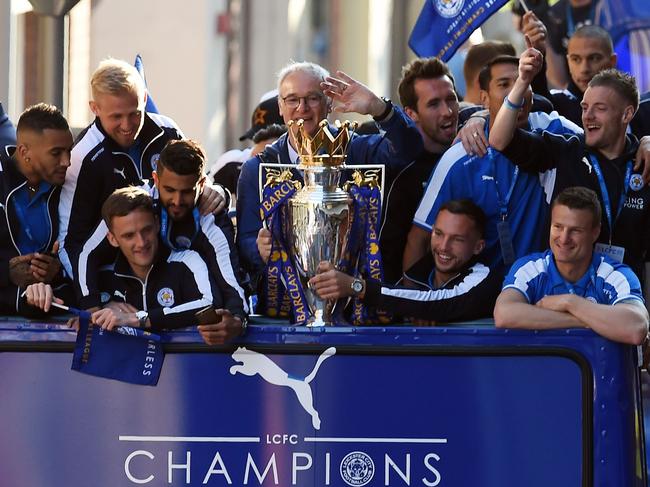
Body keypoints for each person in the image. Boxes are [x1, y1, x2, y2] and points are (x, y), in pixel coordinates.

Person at [238, 60, 423, 283]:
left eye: (313, 98)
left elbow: (409, 150)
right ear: (280, 106)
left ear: (329, 103)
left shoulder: (356, 150)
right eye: (292, 99)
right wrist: (258, 249)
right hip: (288, 306)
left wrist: (379, 108)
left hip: (353, 302)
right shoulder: (258, 169)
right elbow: (245, 242)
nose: (302, 108)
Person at [403, 54, 582, 276]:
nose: (515, 91)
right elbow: (419, 239)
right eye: (504, 84)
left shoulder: (555, 129)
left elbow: (606, 140)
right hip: (475, 296)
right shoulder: (459, 156)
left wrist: (640, 142)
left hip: (540, 289)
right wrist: (412, 306)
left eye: (521, 82)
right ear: (484, 99)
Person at [58, 58, 225, 287]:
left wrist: (217, 191)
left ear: (145, 98)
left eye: (135, 113)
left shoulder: (167, 131)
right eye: (116, 117)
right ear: (95, 108)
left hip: (175, 268)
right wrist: (95, 298)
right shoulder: (82, 157)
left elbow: (199, 180)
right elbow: (70, 242)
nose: (127, 125)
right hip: (117, 282)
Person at [489, 44, 650, 281]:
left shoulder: (643, 162)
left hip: (624, 292)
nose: (588, 116)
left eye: (600, 108)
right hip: (563, 285)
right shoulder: (564, 150)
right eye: (585, 107)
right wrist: (522, 81)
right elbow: (499, 140)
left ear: (626, 114)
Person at [75, 139, 248, 343]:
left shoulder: (211, 219)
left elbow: (230, 283)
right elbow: (87, 253)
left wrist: (237, 320)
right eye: (169, 190)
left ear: (201, 184)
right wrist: (92, 311)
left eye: (186, 192)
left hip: (188, 296)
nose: (176, 200)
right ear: (156, 180)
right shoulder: (135, 203)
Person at [28, 187, 230, 337]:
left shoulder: (187, 261)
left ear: (158, 225)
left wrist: (138, 318)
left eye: (146, 230)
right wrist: (37, 293)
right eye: (129, 236)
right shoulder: (100, 280)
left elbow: (211, 304)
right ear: (112, 239)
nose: (141, 243)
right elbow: (55, 304)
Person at [494, 187, 648, 345]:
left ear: (595, 233)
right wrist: (586, 321)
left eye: (575, 230)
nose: (564, 238)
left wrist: (569, 302)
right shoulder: (531, 268)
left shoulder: (615, 274)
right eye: (558, 227)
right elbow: (503, 314)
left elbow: (636, 329)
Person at [310, 199, 502, 322]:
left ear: (479, 246)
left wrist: (356, 287)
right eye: (438, 233)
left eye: (457, 239)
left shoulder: (484, 278)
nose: (444, 246)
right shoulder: (414, 275)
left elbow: (437, 303)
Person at [379, 57, 459, 283]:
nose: (448, 112)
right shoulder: (397, 168)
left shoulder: (475, 145)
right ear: (411, 113)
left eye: (451, 99)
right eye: (434, 104)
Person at [0, 103, 73, 314]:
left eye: (69, 151)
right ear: (25, 152)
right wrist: (6, 272)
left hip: (52, 311)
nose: (67, 162)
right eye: (56, 153)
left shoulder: (69, 186)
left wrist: (57, 270)